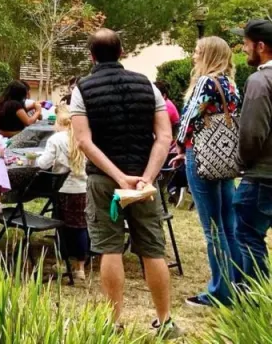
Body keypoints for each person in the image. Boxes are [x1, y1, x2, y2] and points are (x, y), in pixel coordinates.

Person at [70, 28, 177, 337]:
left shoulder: (83, 89)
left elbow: (84, 142)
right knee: (153, 250)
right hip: (145, 182)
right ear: (122, 52)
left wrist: (118, 176)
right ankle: (165, 320)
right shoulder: (148, 86)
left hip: (105, 181)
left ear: (91, 55)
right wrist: (147, 177)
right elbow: (164, 137)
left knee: (109, 249)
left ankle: (113, 322)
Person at [171, 36, 242, 307]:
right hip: (224, 157)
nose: (193, 56)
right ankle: (238, 284)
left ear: (209, 55)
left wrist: (179, 147)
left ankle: (219, 291)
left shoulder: (206, 82)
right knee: (229, 225)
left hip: (201, 155)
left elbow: (189, 118)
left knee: (212, 228)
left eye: (197, 51)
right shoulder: (230, 84)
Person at [235, 19, 272, 289]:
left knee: (249, 236)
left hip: (262, 177)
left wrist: (242, 161)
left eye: (246, 43)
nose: (243, 47)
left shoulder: (260, 81)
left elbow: (251, 134)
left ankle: (256, 304)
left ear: (261, 46)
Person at [36, 104, 90, 283]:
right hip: (83, 188)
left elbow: (43, 163)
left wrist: (32, 159)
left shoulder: (56, 139)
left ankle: (62, 261)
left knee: (62, 227)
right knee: (81, 227)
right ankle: (81, 266)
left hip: (63, 189)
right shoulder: (84, 137)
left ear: (59, 122)